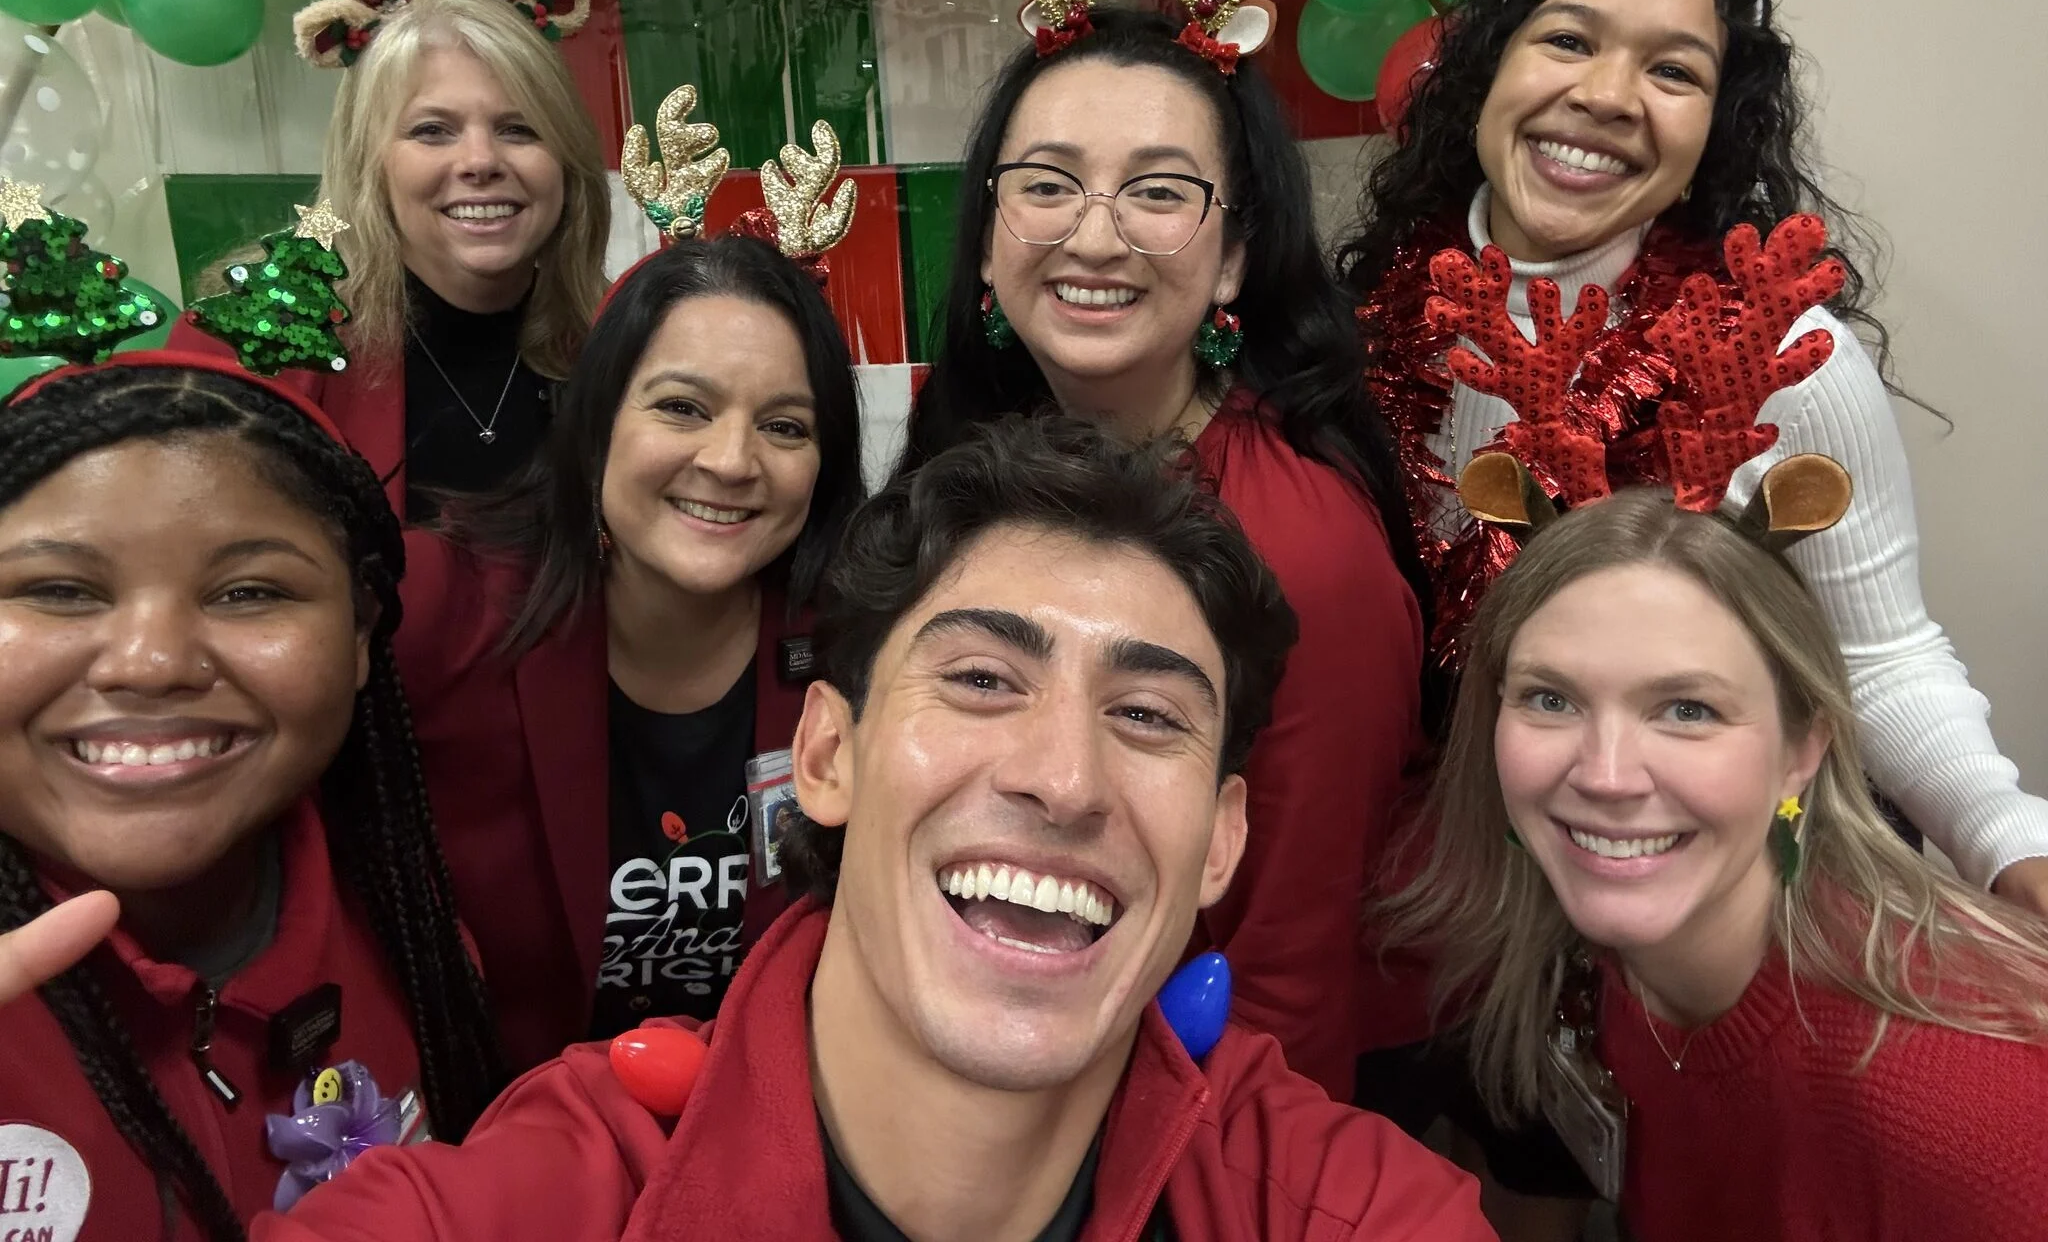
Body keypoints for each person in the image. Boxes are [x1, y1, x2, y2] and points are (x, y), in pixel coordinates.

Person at [251, 416, 1494, 1241]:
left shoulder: (1344, 1209)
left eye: (1145, 715)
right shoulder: (537, 1202)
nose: (1065, 780)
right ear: (826, 757)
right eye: (981, 680)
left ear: (1221, 841)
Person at [1339, 0, 2048, 914]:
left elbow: (1880, 658)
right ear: (1487, 69)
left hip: (1690, 901)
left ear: (1713, 130)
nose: (1604, 95)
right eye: (1567, 40)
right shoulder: (1365, 320)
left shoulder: (1769, 355)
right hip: (1436, 907)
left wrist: (2004, 838)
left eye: (1672, 71)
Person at [902, 0, 1429, 1100]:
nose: (1094, 238)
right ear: (987, 238)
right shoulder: (976, 459)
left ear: (1232, 256)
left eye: (1156, 192)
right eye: (1047, 185)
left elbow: (1287, 971)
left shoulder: (1308, 551)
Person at [1387, 481, 2048, 1241]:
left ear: (1802, 751)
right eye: (1550, 699)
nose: (1606, 776)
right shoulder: (1600, 958)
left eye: (1688, 710)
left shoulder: (1972, 1115)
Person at [0, 355, 503, 1238]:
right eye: (60, 591)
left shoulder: (414, 936)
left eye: (249, 592)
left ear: (359, 634)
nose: (152, 664)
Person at [397, 233, 865, 1073]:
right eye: (683, 407)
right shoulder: (445, 609)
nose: (731, 461)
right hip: (512, 1129)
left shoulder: (855, 641)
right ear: (596, 423)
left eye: (784, 426)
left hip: (762, 1112)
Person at [173, 0, 612, 522]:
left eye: (519, 129)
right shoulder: (257, 342)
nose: (480, 161)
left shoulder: (616, 340)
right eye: (432, 131)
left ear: (566, 161)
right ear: (368, 164)